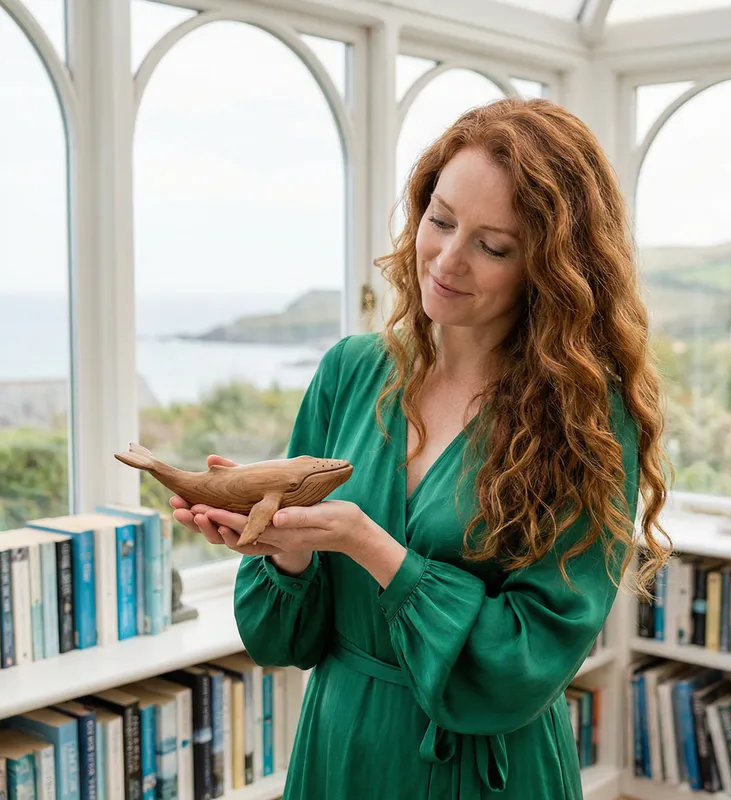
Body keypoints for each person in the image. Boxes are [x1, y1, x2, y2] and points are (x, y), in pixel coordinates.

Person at [170, 96, 671, 800]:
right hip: (340, 748)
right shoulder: (350, 372)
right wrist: (286, 550)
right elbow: (282, 640)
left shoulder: (585, 419)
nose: (447, 259)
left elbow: (530, 657)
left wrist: (371, 546)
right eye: (439, 220)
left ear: (551, 271)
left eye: (493, 247)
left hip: (480, 770)